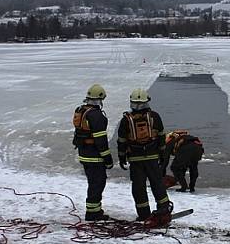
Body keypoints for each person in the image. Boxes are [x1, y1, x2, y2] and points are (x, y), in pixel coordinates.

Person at [116, 88, 172, 225]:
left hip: (135, 160)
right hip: (152, 158)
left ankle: (143, 215)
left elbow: (122, 141)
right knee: (157, 184)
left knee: (139, 187)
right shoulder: (155, 117)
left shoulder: (126, 120)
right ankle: (163, 211)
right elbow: (161, 137)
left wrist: (122, 157)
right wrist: (164, 156)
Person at [72, 84, 114, 221]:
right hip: (95, 157)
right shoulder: (96, 116)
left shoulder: (81, 111)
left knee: (93, 183)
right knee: (98, 183)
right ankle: (93, 213)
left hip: (84, 154)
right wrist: (107, 158)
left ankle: (93, 210)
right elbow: (101, 140)